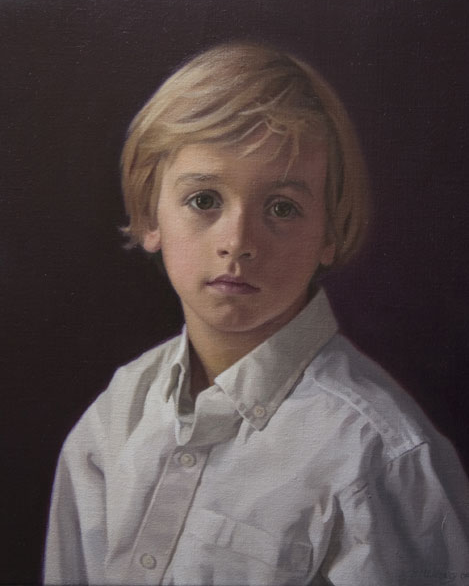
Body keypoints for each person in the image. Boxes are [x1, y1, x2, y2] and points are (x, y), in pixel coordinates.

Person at [43, 42, 469, 586]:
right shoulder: (116, 417)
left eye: (282, 208)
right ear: (151, 215)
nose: (238, 241)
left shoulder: (377, 454)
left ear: (329, 232)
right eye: (204, 200)